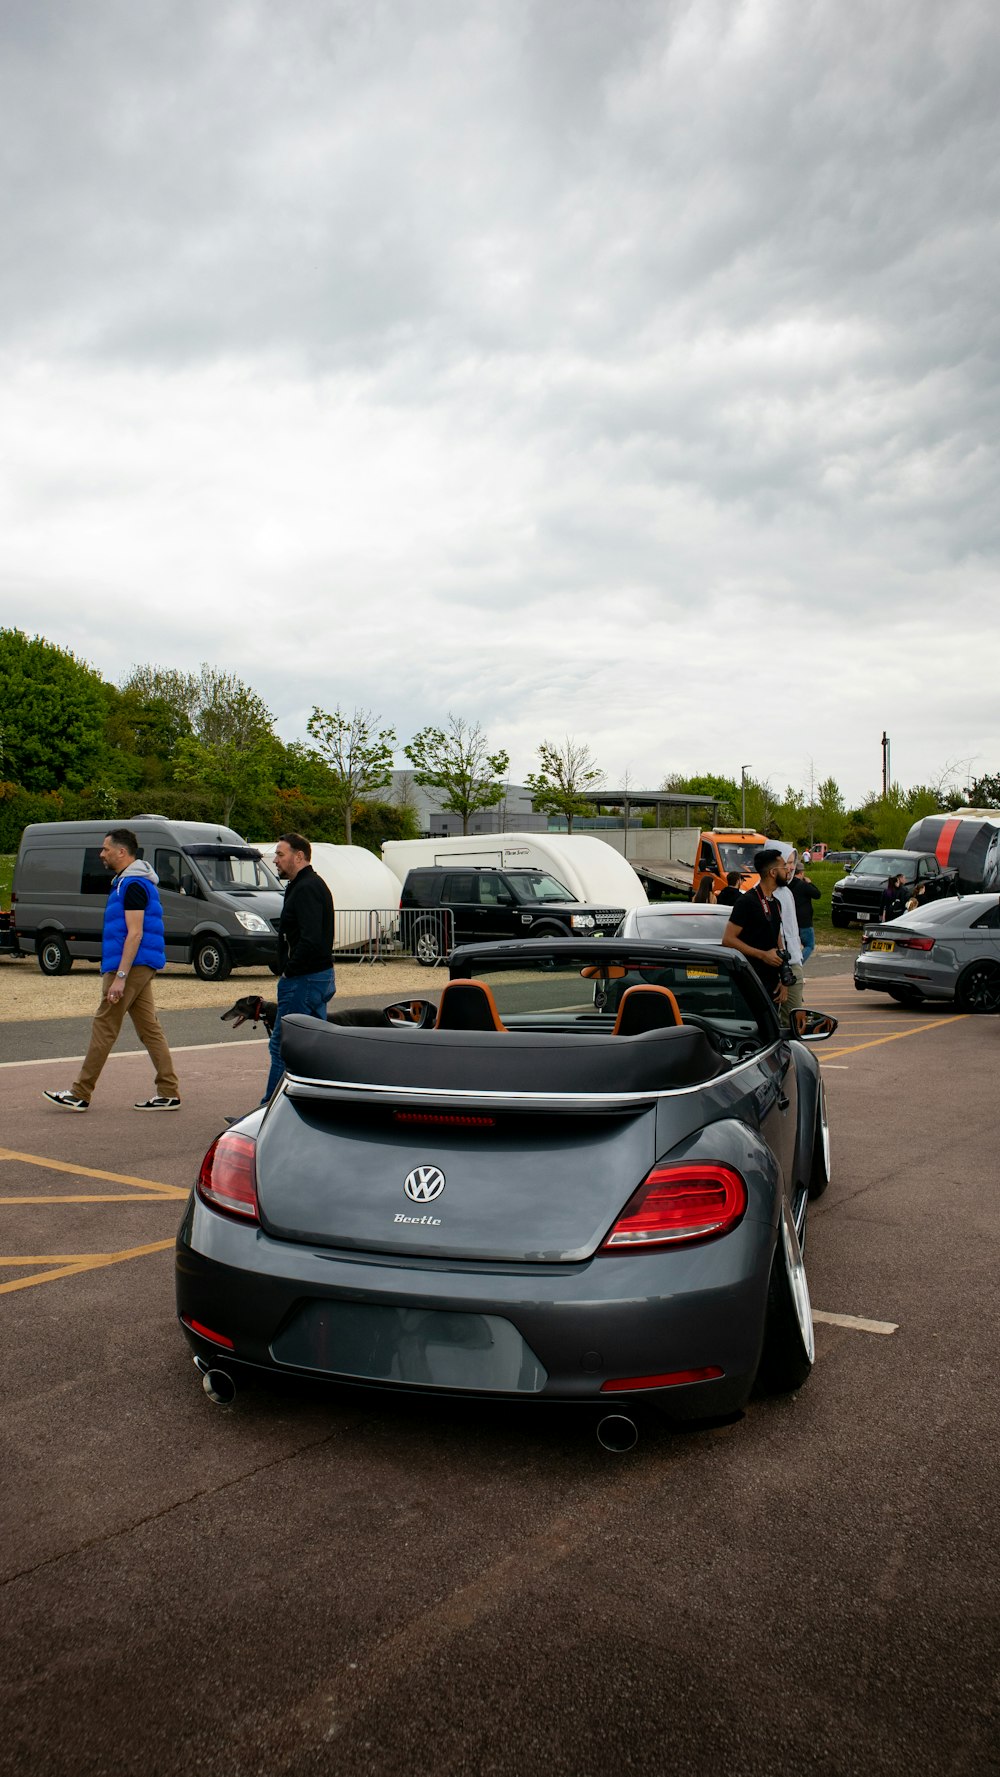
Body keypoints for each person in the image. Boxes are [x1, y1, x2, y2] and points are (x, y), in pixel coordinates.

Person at [43, 828, 180, 1112]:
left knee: (104, 1025)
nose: (101, 853)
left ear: (122, 852)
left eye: (105, 849)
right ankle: (168, 1091)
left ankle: (80, 1093)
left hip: (130, 965)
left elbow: (135, 934)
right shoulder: (129, 882)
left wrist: (120, 976)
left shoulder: (132, 885)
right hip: (139, 964)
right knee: (149, 1030)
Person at [260, 833, 335, 1103]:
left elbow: (311, 938)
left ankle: (268, 1112)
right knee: (313, 1045)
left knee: (284, 1045)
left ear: (299, 856)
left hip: (304, 979)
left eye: (280, 854)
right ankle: (315, 1102)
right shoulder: (302, 885)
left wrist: (290, 971)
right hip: (314, 976)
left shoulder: (307, 888)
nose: (275, 860)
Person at [721, 847, 790, 1009]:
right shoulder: (747, 902)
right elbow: (728, 939)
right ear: (773, 872)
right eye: (785, 867)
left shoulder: (776, 902)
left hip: (772, 982)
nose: (789, 870)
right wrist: (763, 955)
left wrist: (784, 978)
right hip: (749, 981)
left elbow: (777, 938)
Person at [790, 862, 821, 964]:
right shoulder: (803, 885)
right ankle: (798, 964)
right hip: (805, 921)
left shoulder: (788, 885)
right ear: (801, 873)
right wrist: (810, 883)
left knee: (794, 946)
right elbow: (817, 894)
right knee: (809, 945)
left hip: (792, 921)